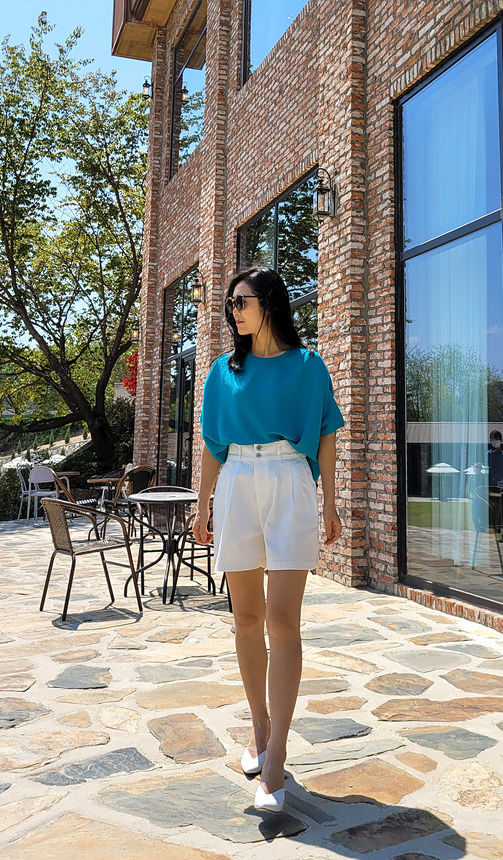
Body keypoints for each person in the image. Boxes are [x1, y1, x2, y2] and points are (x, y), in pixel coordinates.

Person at [193, 266, 344, 813]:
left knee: (282, 620)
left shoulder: (308, 365)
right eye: (230, 304)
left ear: (270, 303)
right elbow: (212, 443)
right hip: (237, 480)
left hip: (289, 479)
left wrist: (330, 501)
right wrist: (203, 503)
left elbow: (326, 434)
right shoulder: (222, 370)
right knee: (246, 619)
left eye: (242, 302)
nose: (233, 312)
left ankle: (276, 750)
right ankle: (258, 726)